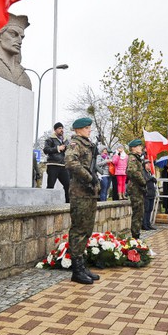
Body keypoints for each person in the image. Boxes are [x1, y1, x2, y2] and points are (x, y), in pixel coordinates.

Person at [64, 117, 100, 285]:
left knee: (87, 229)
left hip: (89, 193)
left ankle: (82, 264)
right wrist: (88, 177)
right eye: (86, 128)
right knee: (79, 229)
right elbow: (70, 162)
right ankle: (76, 270)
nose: (89, 130)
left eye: (89, 128)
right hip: (79, 192)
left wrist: (94, 181)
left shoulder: (88, 144)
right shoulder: (75, 144)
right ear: (77, 130)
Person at [43, 122, 71, 203]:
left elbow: (68, 150)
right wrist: (58, 148)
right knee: (50, 186)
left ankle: (68, 203)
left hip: (63, 165)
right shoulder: (50, 139)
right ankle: (47, 204)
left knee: (68, 184)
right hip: (53, 165)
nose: (61, 130)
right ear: (55, 130)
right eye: (59, 128)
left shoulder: (66, 140)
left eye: (62, 128)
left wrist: (70, 147)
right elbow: (46, 150)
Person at [125, 139, 147, 238]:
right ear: (133, 148)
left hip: (137, 188)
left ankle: (136, 235)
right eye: (138, 146)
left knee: (139, 213)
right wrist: (143, 181)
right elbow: (132, 171)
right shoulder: (132, 158)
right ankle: (135, 237)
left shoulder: (137, 158)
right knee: (137, 214)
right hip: (135, 188)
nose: (141, 148)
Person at [143, 159, 158, 230]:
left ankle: (148, 223)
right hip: (146, 194)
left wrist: (154, 178)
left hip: (151, 193)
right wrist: (151, 178)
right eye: (147, 164)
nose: (149, 165)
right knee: (146, 209)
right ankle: (144, 224)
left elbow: (153, 180)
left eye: (149, 164)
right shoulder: (143, 172)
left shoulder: (150, 172)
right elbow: (145, 180)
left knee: (150, 209)